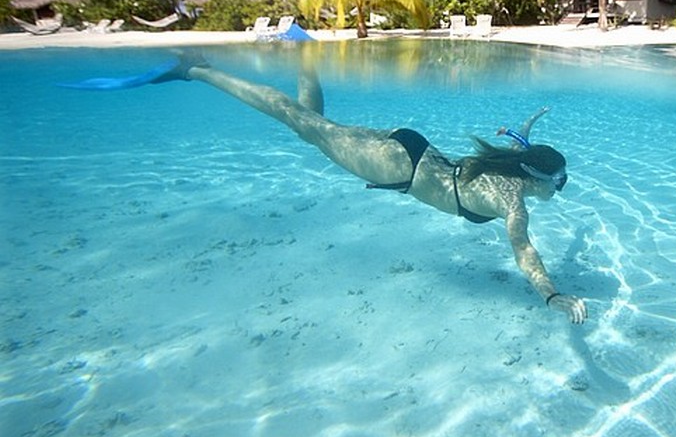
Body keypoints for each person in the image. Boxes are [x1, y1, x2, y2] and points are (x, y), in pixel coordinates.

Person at [62, 54, 588, 323]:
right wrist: (552, 295)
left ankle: (305, 55)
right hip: (396, 168)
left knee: (313, 124)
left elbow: (525, 143)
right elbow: (524, 251)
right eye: (557, 185)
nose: (556, 193)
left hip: (410, 147)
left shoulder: (514, 166)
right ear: (535, 179)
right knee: (298, 120)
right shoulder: (512, 200)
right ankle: (198, 70)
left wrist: (533, 122)